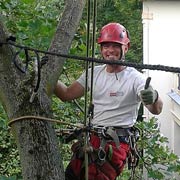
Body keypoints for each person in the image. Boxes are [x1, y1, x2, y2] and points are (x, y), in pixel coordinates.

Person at [54, 22, 163, 180]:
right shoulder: (94, 73)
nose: (110, 50)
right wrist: (43, 75)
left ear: (126, 47)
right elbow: (66, 94)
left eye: (115, 46)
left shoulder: (136, 78)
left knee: (94, 176)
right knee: (71, 174)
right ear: (101, 49)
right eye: (106, 46)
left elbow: (156, 109)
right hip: (93, 138)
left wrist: (154, 96)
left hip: (116, 143)